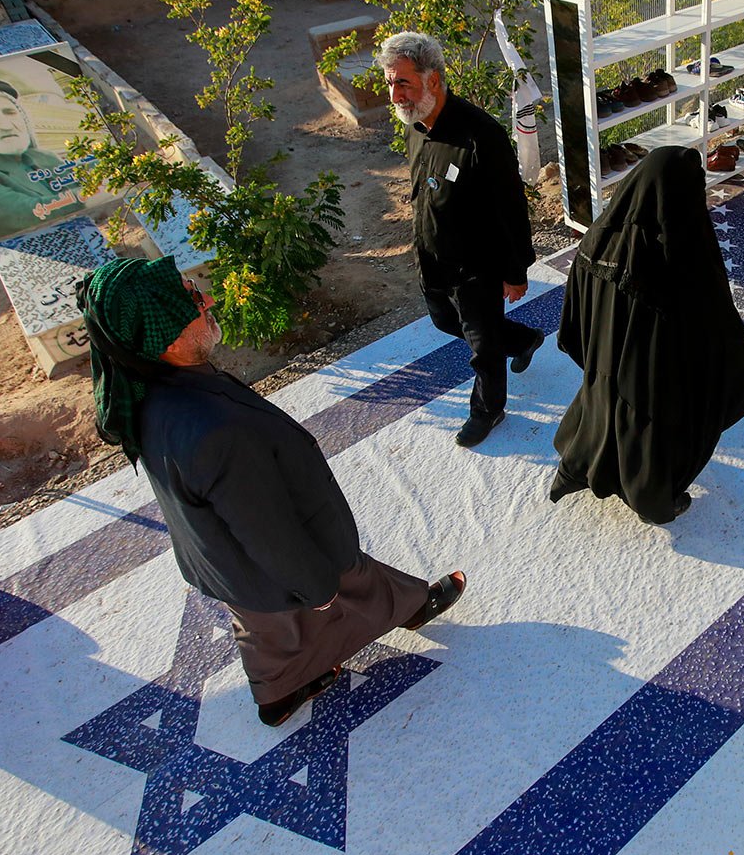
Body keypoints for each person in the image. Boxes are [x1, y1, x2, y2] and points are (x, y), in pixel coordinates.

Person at [77, 257, 465, 726]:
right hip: (283, 553)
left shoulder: (144, 391)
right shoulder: (213, 429)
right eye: (195, 299)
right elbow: (268, 532)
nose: (210, 300)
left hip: (221, 562)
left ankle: (279, 695)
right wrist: (317, 587)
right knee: (358, 585)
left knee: (265, 629)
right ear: (168, 337)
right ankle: (413, 606)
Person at [549, 146, 744, 524]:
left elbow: (576, 312)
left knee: (598, 411)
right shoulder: (682, 259)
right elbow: (713, 326)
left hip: (601, 367)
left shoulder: (597, 240)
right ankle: (652, 501)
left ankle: (574, 469)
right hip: (651, 382)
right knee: (650, 438)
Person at [377, 31, 545, 448]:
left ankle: (488, 409)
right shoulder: (415, 124)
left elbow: (510, 208)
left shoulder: (481, 135)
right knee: (443, 320)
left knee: (482, 348)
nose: (395, 93)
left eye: (403, 82)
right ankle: (524, 339)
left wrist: (515, 270)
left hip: (477, 266)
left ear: (432, 80)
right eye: (390, 82)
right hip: (433, 257)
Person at [0, 77, 85, 243]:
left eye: (10, 112)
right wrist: (94, 194)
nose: (6, 125)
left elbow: (81, 183)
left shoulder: (44, 157)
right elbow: (31, 212)